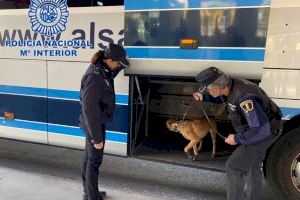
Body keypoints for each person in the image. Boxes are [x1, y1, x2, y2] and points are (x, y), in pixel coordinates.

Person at [193, 67, 282, 200]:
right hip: (265, 128)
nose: (206, 91)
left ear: (216, 88)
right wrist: (204, 97)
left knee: (233, 166)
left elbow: (260, 130)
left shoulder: (245, 98)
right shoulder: (231, 85)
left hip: (265, 132)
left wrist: (237, 138)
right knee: (252, 166)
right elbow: (227, 99)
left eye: (206, 90)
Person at [79, 43, 129, 200]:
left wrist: (122, 65)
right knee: (94, 161)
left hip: (94, 122)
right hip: (93, 124)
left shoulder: (104, 70)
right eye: (118, 63)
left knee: (89, 158)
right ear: (110, 60)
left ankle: (89, 191)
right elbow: (89, 109)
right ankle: (93, 197)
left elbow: (111, 75)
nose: (119, 65)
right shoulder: (94, 77)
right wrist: (97, 137)